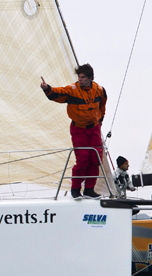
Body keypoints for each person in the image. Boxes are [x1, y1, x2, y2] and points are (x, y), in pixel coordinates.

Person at [40, 64, 107, 199]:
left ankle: (89, 190)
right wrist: (47, 88)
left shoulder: (100, 90)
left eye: (83, 77)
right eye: (79, 77)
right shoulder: (72, 90)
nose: (80, 79)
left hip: (94, 128)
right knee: (82, 159)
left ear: (90, 78)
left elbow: (102, 106)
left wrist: (100, 121)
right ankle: (75, 189)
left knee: (95, 159)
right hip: (79, 129)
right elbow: (57, 93)